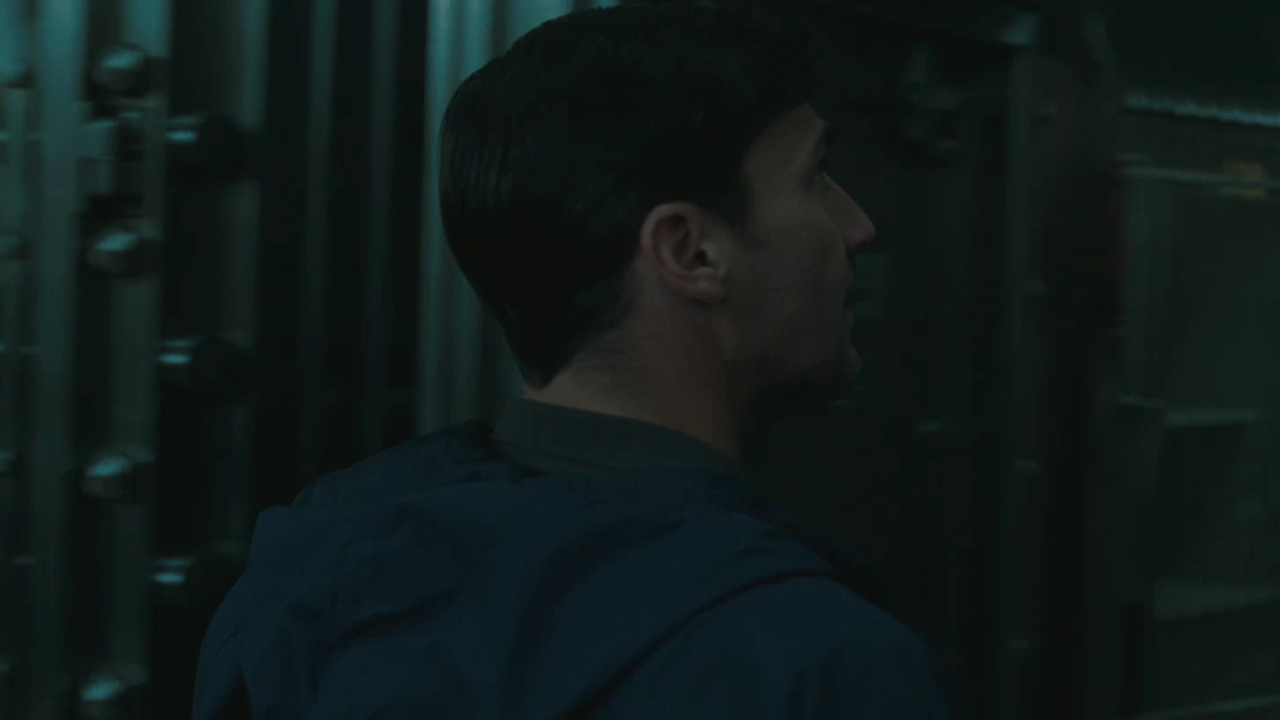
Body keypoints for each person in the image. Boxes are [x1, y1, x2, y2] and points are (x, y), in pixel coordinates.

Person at [193, 3, 960, 718]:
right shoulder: (822, 666)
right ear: (690, 252)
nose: (858, 225)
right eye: (815, 178)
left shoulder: (288, 603)